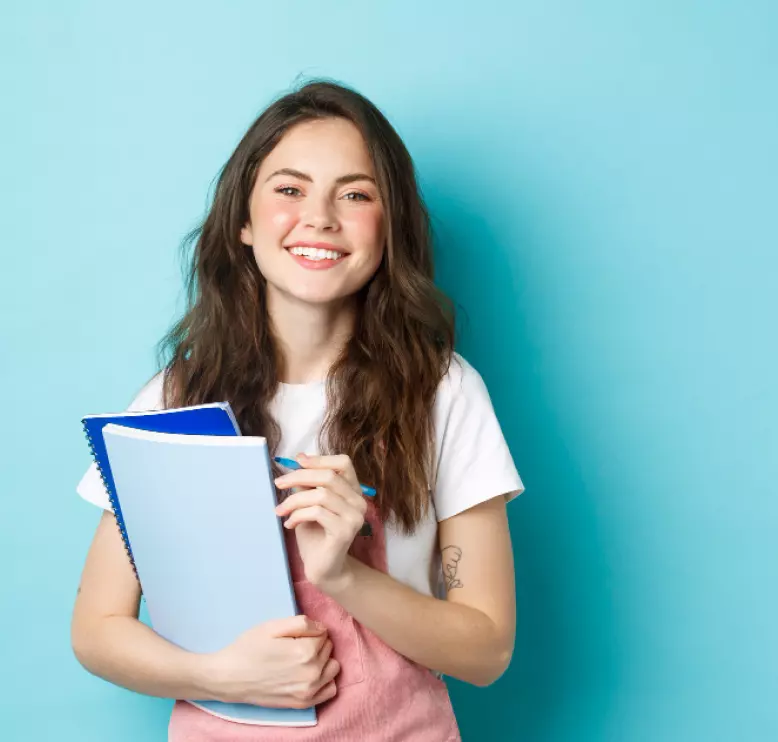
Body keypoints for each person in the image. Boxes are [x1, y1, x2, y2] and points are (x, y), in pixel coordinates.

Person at [71, 80, 524, 742]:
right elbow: (96, 629)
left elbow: (487, 651)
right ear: (244, 223)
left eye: (356, 194)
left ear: (389, 226)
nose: (320, 216)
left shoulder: (442, 391)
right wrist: (221, 676)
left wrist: (341, 574)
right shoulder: (177, 397)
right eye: (289, 189)